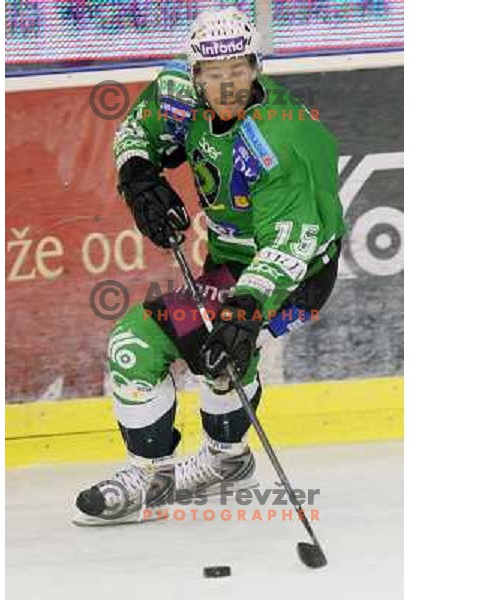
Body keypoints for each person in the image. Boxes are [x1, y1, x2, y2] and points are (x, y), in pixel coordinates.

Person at [74, 7, 346, 525]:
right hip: (226, 264)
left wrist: (246, 309)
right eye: (215, 73)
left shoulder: (280, 143)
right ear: (195, 73)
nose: (228, 84)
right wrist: (138, 177)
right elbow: (137, 130)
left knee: (223, 343)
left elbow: (289, 246)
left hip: (296, 276)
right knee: (137, 347)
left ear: (256, 67)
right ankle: (157, 472)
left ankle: (223, 456)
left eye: (239, 70)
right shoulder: (178, 90)